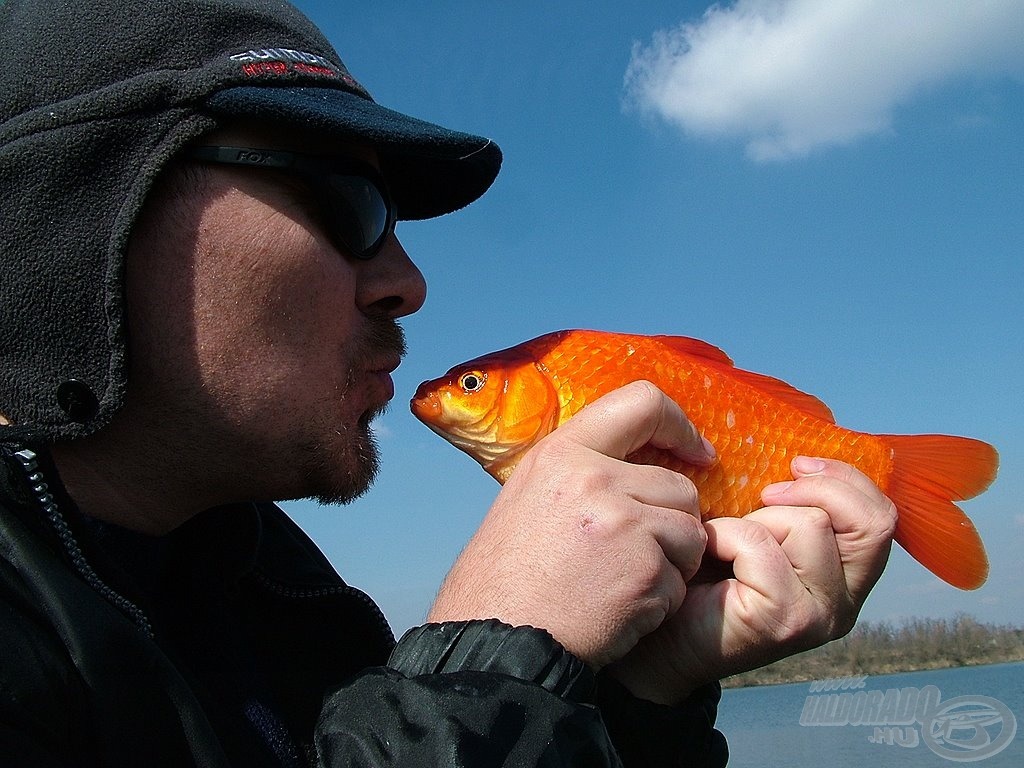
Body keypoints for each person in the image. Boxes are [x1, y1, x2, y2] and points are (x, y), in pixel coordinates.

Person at [0, 0, 897, 765]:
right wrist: (486, 665)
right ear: (80, 209)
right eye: (347, 201)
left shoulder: (287, 601)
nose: (410, 284)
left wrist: (642, 693)